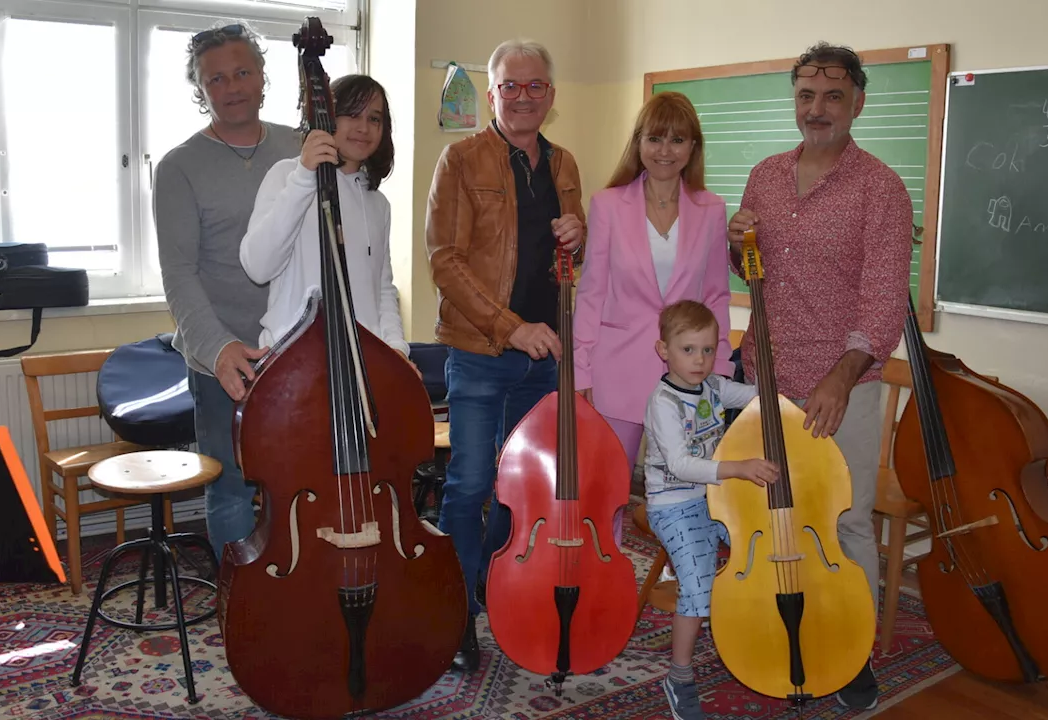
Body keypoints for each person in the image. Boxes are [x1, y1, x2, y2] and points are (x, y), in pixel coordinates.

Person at [727, 41, 914, 710]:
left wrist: (841, 376)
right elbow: (748, 268)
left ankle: (851, 651)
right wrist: (735, 240)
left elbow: (884, 299)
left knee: (845, 523)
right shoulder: (765, 176)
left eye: (833, 96)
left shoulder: (882, 188)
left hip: (845, 388)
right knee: (766, 518)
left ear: (858, 102)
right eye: (807, 95)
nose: (818, 108)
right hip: (765, 380)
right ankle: (767, 624)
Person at [424, 38, 585, 672]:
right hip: (480, 351)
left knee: (523, 491)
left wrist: (582, 233)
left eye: (535, 86)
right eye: (510, 87)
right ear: (492, 94)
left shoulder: (565, 162)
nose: (522, 97)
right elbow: (445, 263)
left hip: (545, 359)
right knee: (468, 484)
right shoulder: (460, 160)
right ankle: (457, 612)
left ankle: (494, 581)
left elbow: (566, 258)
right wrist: (511, 326)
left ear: (551, 94)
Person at [155, 22, 301, 561]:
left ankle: (295, 590)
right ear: (201, 90)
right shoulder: (178, 168)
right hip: (224, 357)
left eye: (242, 72)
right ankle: (239, 609)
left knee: (302, 478)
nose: (232, 86)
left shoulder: (301, 146)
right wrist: (217, 350)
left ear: (263, 77)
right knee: (232, 485)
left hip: (297, 350)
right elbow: (179, 273)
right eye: (216, 79)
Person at [572, 90, 735, 544]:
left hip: (687, 375)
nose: (665, 150)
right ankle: (604, 580)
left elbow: (716, 295)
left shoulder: (711, 209)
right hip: (615, 371)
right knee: (607, 492)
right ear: (638, 143)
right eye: (655, 138)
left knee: (687, 494)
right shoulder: (606, 205)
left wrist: (718, 370)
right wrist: (580, 369)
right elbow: (591, 294)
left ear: (693, 148)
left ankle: (685, 578)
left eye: (677, 140)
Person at [642, 300, 778, 720]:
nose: (700, 360)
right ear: (663, 350)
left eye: (707, 349)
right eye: (688, 350)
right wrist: (740, 468)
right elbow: (682, 465)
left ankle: (749, 637)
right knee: (699, 587)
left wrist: (794, 391)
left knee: (761, 552)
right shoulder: (663, 401)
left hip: (713, 499)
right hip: (673, 505)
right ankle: (679, 675)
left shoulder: (714, 387)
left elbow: (760, 395)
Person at [240, 74, 415, 372]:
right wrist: (305, 178)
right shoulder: (286, 176)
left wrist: (396, 349)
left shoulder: (377, 203)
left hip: (362, 366)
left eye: (374, 119)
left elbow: (382, 289)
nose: (363, 127)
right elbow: (258, 266)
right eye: (352, 114)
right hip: (292, 365)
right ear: (328, 118)